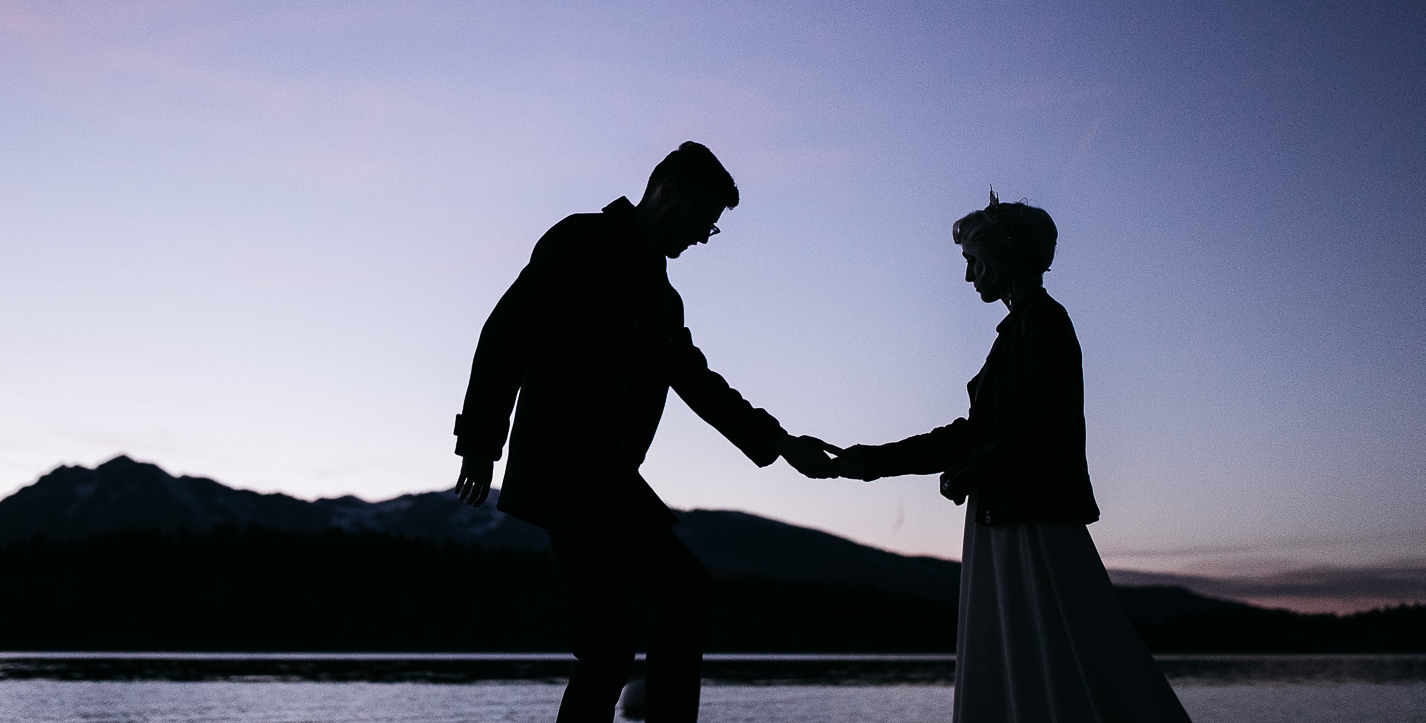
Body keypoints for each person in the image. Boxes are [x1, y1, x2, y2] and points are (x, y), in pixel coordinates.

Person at [453, 142, 834, 723]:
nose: (701, 239)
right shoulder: (582, 241)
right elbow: (506, 332)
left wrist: (780, 443)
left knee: (607, 653)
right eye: (703, 222)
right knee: (686, 592)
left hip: (599, 480)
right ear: (671, 192)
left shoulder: (662, 298)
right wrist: (480, 443)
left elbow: (697, 382)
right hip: (571, 474)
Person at [825, 192, 1191, 722]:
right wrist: (865, 461)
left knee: (1061, 655)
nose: (970, 276)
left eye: (974, 261)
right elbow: (976, 434)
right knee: (1036, 659)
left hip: (1032, 522)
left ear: (1008, 254)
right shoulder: (1019, 331)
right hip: (1010, 518)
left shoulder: (1044, 324)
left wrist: (970, 469)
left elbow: (1042, 428)